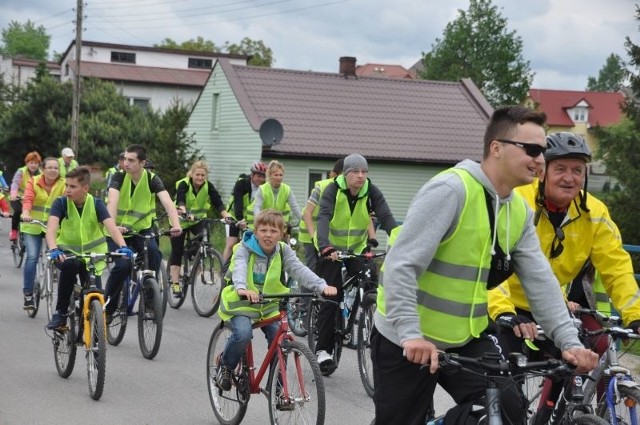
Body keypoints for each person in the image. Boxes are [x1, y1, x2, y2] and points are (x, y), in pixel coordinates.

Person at [371, 106, 599, 425]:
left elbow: (541, 284)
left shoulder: (517, 211)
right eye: (531, 149)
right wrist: (410, 334)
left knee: (509, 409)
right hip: (407, 341)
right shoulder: (451, 190)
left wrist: (570, 343)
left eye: (542, 152)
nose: (539, 159)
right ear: (496, 148)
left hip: (466, 339)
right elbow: (400, 266)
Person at [488, 132, 640, 408]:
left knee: (588, 355)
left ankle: (563, 411)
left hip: (549, 305)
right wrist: (503, 311)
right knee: (508, 380)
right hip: (506, 304)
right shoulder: (517, 200)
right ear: (543, 171)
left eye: (577, 171)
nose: (569, 178)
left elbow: (616, 268)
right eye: (560, 169)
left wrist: (635, 315)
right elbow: (492, 262)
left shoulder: (594, 212)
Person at [215, 209, 337, 394]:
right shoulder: (244, 248)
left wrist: (321, 286)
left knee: (280, 341)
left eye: (273, 231)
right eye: (263, 230)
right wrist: (242, 288)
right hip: (242, 305)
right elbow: (239, 267)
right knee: (243, 333)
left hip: (269, 306)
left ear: (281, 234)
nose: (268, 235)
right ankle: (225, 365)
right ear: (255, 231)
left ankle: (279, 390)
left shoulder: (283, 250)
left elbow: (299, 270)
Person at [315, 153, 397, 371]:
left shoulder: (371, 191)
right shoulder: (332, 190)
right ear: (346, 173)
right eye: (356, 172)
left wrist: (400, 240)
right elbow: (323, 217)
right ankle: (323, 350)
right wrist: (325, 246)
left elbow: (387, 217)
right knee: (331, 295)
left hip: (357, 249)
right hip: (331, 250)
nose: (361, 176)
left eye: (364, 172)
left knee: (372, 285)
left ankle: (365, 322)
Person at [44, 167, 133, 330]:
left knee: (95, 296)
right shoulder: (61, 203)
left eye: (72, 187)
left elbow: (112, 228)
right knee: (71, 267)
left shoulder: (96, 204)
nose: (67, 190)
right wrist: (54, 249)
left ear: (85, 188)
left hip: (93, 256)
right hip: (66, 254)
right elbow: (51, 230)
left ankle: (96, 338)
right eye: (67, 186)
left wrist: (123, 247)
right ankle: (61, 314)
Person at [103, 144, 182, 322]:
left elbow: (168, 202)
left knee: (154, 254)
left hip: (142, 229)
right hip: (117, 231)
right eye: (124, 159)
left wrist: (176, 224)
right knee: (122, 266)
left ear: (142, 163)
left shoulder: (153, 179)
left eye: (131, 160)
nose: (125, 163)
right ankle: (108, 307)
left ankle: (149, 301)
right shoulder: (118, 177)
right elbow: (112, 203)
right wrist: (114, 226)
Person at [169, 160, 231, 297]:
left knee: (204, 241)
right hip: (179, 220)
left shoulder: (208, 186)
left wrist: (226, 216)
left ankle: (192, 256)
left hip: (196, 220)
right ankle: (175, 284)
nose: (200, 178)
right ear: (192, 174)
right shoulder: (184, 184)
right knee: (177, 251)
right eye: (197, 175)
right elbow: (180, 198)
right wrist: (183, 210)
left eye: (203, 175)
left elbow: (218, 202)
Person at [20, 157, 66, 310]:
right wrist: (26, 213)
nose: (53, 170)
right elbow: (28, 199)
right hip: (33, 225)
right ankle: (28, 295)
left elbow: (67, 202)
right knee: (32, 257)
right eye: (50, 167)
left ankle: (65, 295)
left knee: (61, 256)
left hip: (53, 227)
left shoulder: (63, 183)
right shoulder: (34, 181)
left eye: (56, 168)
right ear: (43, 169)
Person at [299, 158, 345, 271]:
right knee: (312, 269)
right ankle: (307, 289)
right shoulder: (323, 186)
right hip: (310, 232)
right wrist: (313, 236)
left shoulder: (347, 190)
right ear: (334, 175)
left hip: (327, 235)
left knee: (329, 268)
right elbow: (307, 212)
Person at [222, 161, 267, 263]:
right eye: (258, 176)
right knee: (231, 243)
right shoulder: (242, 183)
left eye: (263, 177)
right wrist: (239, 219)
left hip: (249, 220)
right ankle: (223, 271)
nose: (260, 179)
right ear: (252, 175)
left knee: (250, 244)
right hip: (233, 216)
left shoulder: (264, 188)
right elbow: (238, 202)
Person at [251, 160, 302, 234]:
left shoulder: (287, 189)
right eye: (276, 175)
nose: (278, 177)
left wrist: (303, 219)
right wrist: (259, 221)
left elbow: (294, 206)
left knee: (286, 244)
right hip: (265, 223)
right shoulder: (262, 189)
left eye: (280, 175)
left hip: (280, 224)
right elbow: (257, 207)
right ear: (270, 175)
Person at [9, 151, 41, 241]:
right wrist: (13, 194)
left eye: (36, 163)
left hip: (30, 199)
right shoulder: (21, 171)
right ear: (27, 163)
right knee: (18, 211)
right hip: (18, 198)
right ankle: (14, 231)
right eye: (31, 163)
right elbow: (15, 183)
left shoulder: (40, 174)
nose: (33, 165)